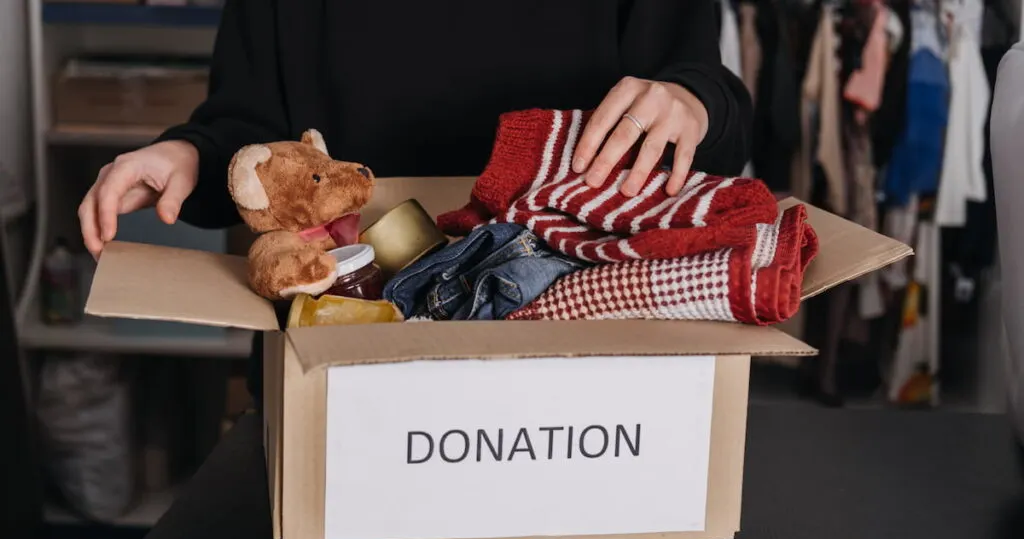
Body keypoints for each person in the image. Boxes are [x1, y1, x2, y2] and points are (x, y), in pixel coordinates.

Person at [76, 0, 753, 405]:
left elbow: (708, 112)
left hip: (577, 368)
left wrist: (692, 102)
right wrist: (189, 154)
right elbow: (253, 135)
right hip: (341, 365)